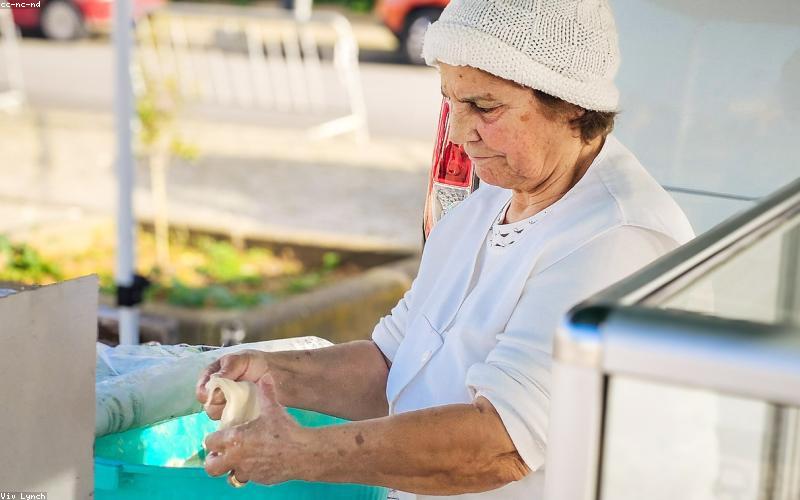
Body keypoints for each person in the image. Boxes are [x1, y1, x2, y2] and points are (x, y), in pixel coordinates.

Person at [195, 0, 695, 497]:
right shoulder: (490, 202)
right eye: (450, 101)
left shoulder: (618, 240)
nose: (458, 132)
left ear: (572, 105)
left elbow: (499, 446)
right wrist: (273, 375)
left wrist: (304, 453)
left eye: (485, 107)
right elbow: (393, 363)